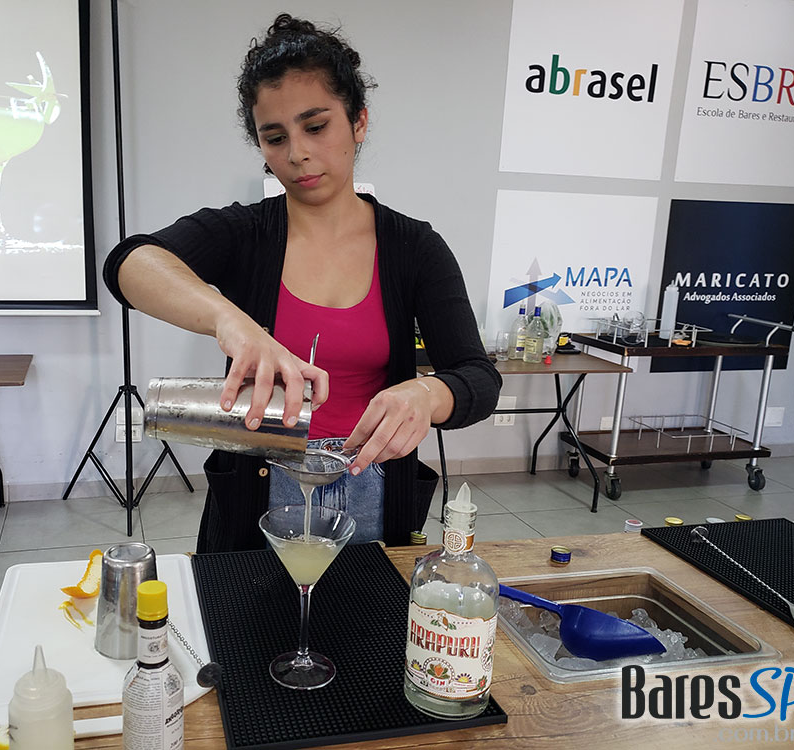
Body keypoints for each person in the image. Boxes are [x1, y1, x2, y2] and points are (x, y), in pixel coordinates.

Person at [104, 13, 501, 552]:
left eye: (316, 127)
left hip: (372, 484)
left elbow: (478, 378)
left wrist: (429, 393)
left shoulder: (415, 248)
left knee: (364, 606)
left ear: (359, 122)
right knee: (246, 606)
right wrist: (230, 320)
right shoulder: (245, 233)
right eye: (275, 137)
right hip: (259, 489)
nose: (296, 154)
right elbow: (130, 263)